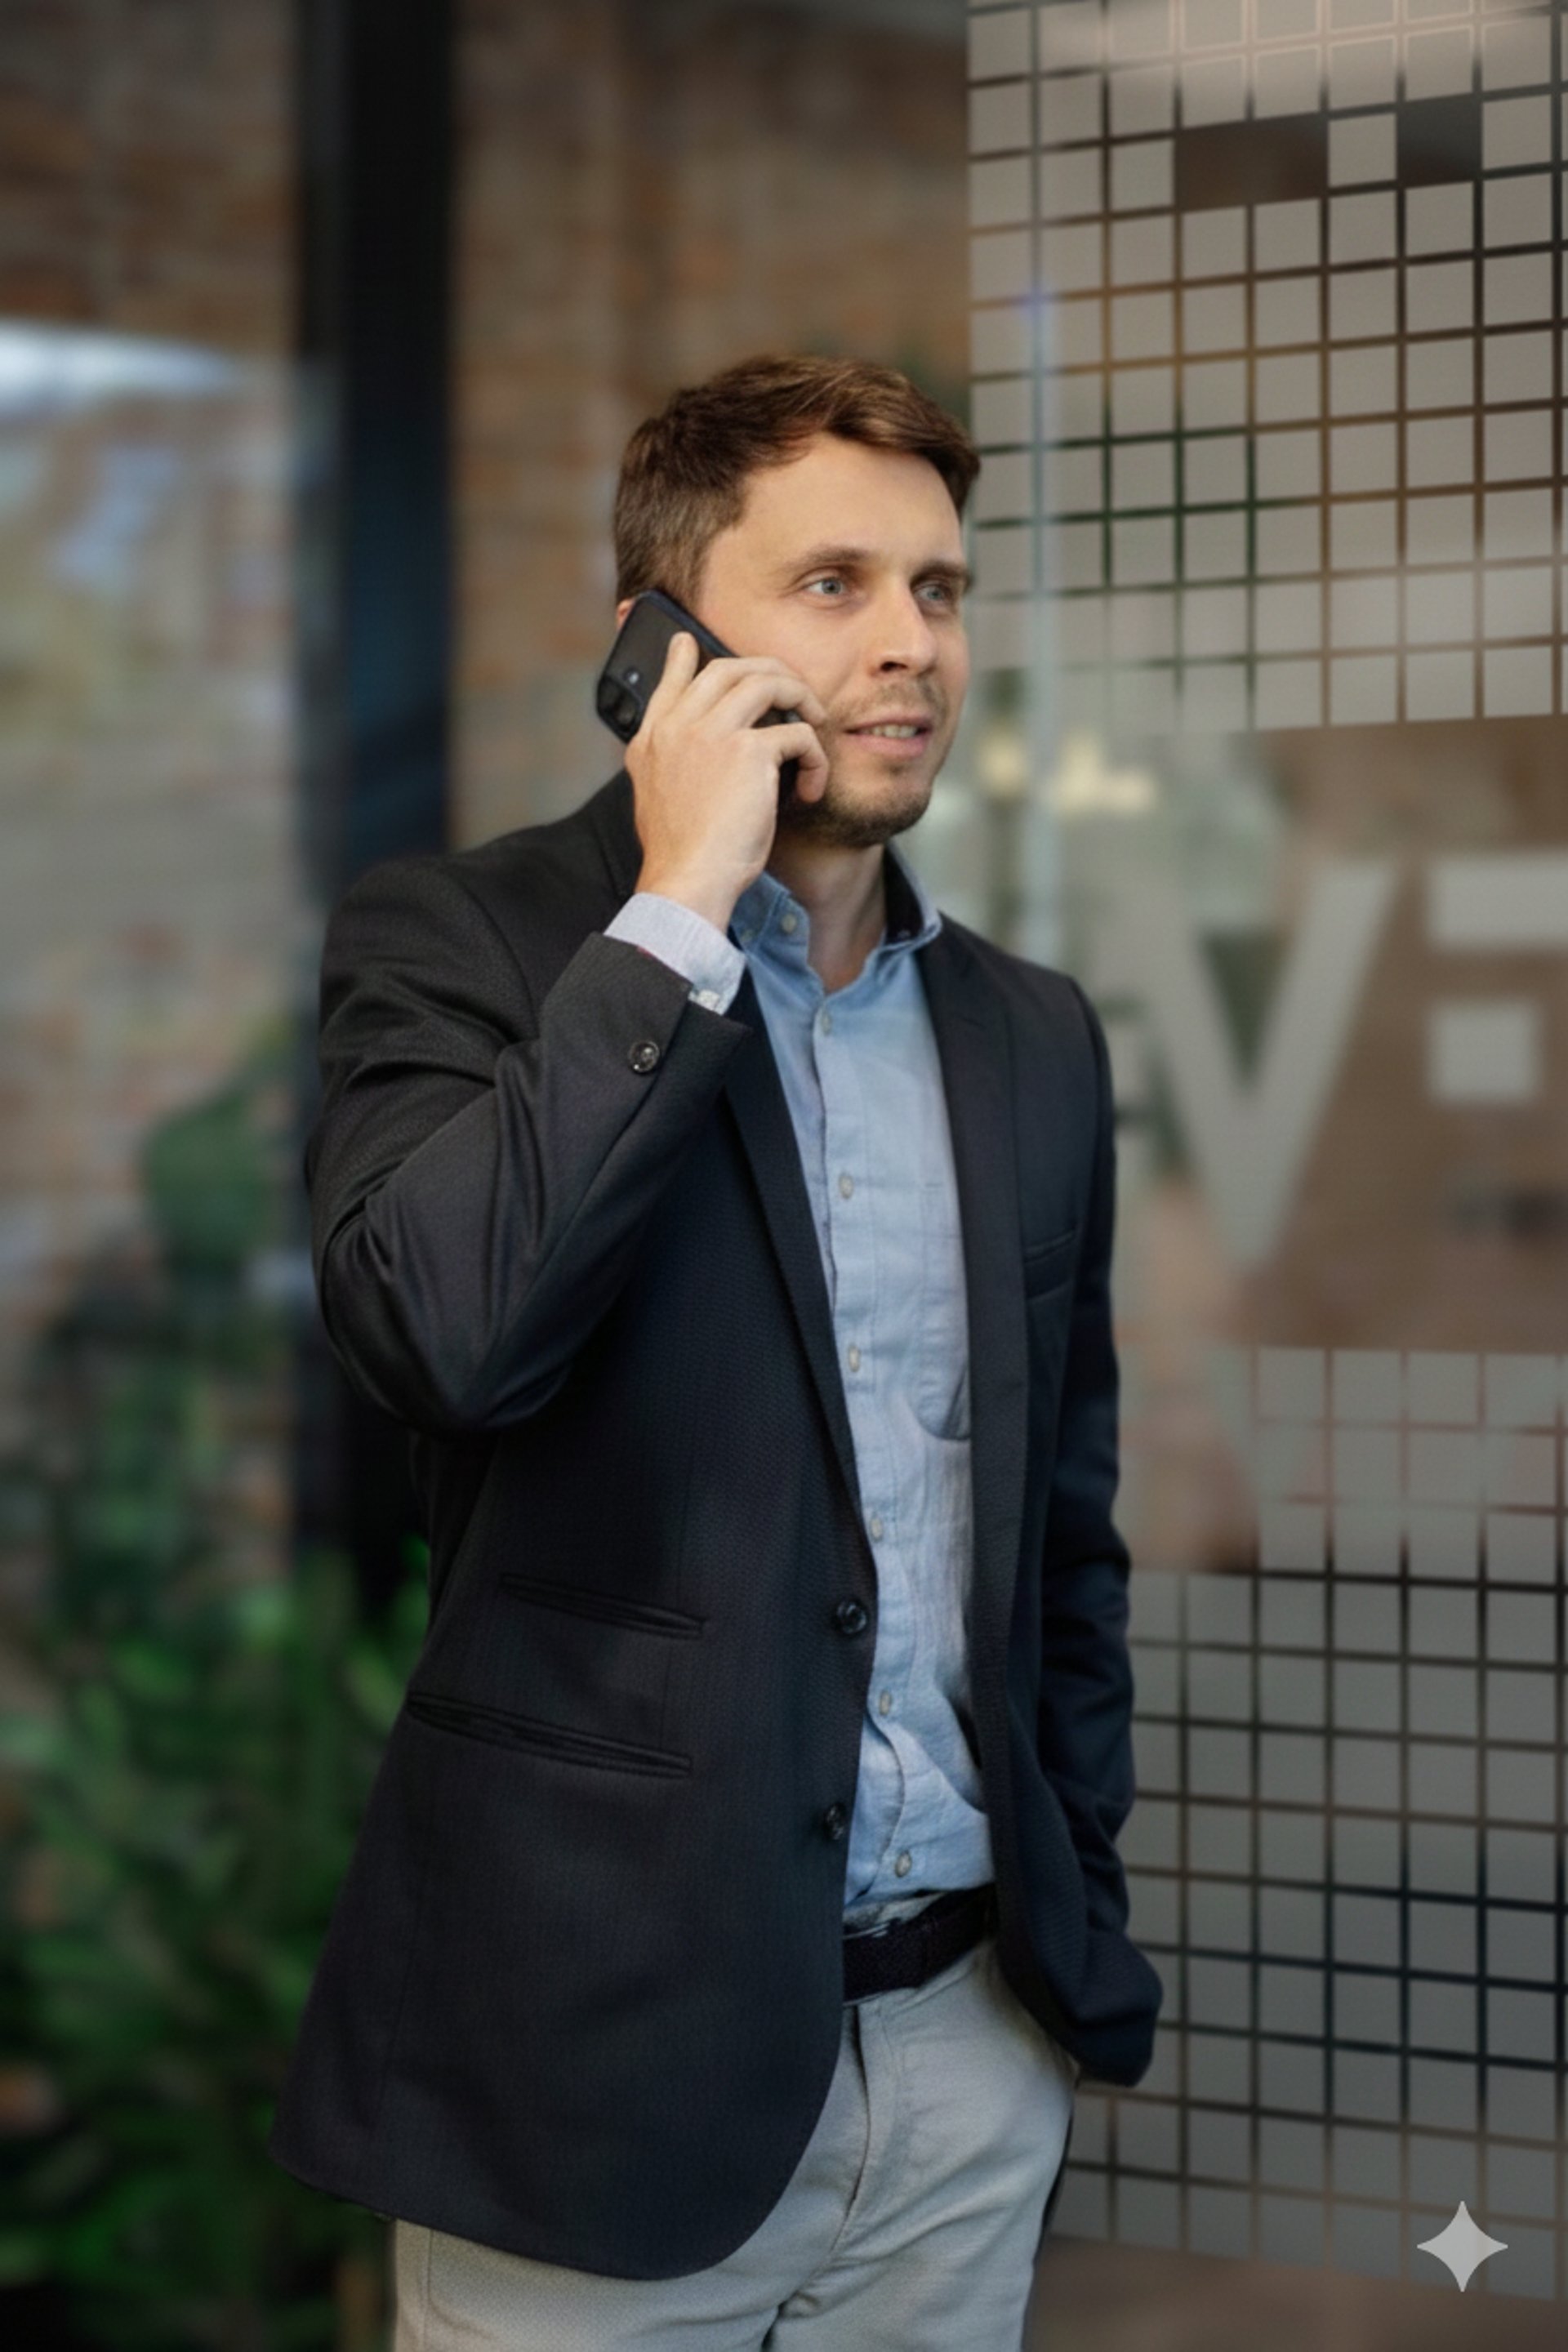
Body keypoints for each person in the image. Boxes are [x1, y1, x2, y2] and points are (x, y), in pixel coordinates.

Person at [268, 354, 1162, 2350]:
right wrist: (679, 908)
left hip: (964, 2057)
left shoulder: (1030, 1035)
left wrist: (1070, 1907)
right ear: (659, 645)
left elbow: (1060, 1537)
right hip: (592, 2073)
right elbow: (441, 1333)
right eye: (833, 585)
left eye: (938, 589)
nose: (910, 644)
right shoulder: (463, 945)